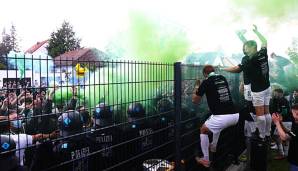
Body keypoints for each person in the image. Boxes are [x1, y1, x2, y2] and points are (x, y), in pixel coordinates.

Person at [192, 65, 239, 167]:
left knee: (203, 130)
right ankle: (213, 147)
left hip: (222, 117)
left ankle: (206, 159)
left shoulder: (206, 81)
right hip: (235, 115)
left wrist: (197, 86)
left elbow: (195, 100)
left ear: (205, 74)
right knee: (214, 123)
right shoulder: (222, 78)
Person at [243, 25, 271, 140]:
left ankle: (262, 135)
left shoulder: (250, 59)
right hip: (267, 86)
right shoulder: (263, 53)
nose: (245, 49)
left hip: (258, 89)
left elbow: (245, 70)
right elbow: (264, 41)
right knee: (267, 111)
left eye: (246, 47)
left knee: (260, 114)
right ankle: (268, 133)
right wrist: (257, 32)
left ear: (252, 47)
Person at [272, 104, 298, 170]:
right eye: (293, 112)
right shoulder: (296, 121)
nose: (293, 115)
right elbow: (290, 133)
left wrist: (277, 123)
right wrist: (280, 123)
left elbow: (284, 137)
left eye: (296, 113)